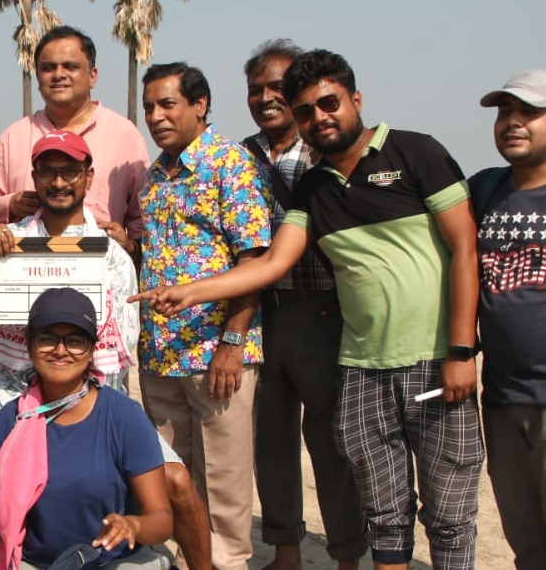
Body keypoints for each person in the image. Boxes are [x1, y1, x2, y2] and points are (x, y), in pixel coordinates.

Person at [132, 50, 483, 570]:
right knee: (355, 489)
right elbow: (273, 262)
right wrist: (191, 292)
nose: (316, 116)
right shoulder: (307, 181)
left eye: (327, 104)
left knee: (436, 503)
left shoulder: (410, 152)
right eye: (303, 108)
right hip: (331, 346)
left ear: (354, 98)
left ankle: (344, 556)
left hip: (365, 335)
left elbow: (465, 248)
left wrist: (461, 350)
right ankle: (288, 554)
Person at [0, 129, 211, 570]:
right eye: (48, 172)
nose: (58, 182)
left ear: (88, 177)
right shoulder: (7, 243)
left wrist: (100, 413)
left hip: (92, 392)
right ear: (34, 176)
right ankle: (4, 550)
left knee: (178, 481)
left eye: (69, 172)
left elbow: (121, 349)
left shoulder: (112, 254)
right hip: (11, 393)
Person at [0, 288, 173, 570]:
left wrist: (133, 525)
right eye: (47, 338)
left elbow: (161, 519)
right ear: (29, 346)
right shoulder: (10, 420)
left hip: (114, 561)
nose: (60, 350)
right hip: (36, 563)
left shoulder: (124, 417)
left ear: (91, 350)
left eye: (75, 341)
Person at [138, 61, 270, 570]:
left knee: (223, 480)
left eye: (167, 104)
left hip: (216, 353)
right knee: (170, 473)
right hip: (161, 354)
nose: (155, 116)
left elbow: (254, 262)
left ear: (199, 105)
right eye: (149, 106)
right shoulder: (156, 175)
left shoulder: (230, 164)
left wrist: (232, 344)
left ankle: (227, 562)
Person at [240, 40, 366, 570]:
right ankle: (286, 552)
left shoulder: (325, 149)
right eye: (256, 89)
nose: (267, 98)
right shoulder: (239, 156)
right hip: (261, 312)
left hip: (323, 311)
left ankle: (346, 555)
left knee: (332, 441)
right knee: (270, 441)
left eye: (277, 87)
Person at [0, 25, 148, 261]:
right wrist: (10, 204)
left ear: (92, 76)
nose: (58, 74)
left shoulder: (125, 135)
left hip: (101, 268)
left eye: (70, 66)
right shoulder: (13, 137)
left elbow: (142, 218)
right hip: (26, 270)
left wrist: (130, 246)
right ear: (38, 76)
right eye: (48, 68)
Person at [472, 69, 546, 570]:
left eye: (529, 112)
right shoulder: (483, 189)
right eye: (504, 112)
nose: (512, 122)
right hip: (501, 398)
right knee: (527, 540)